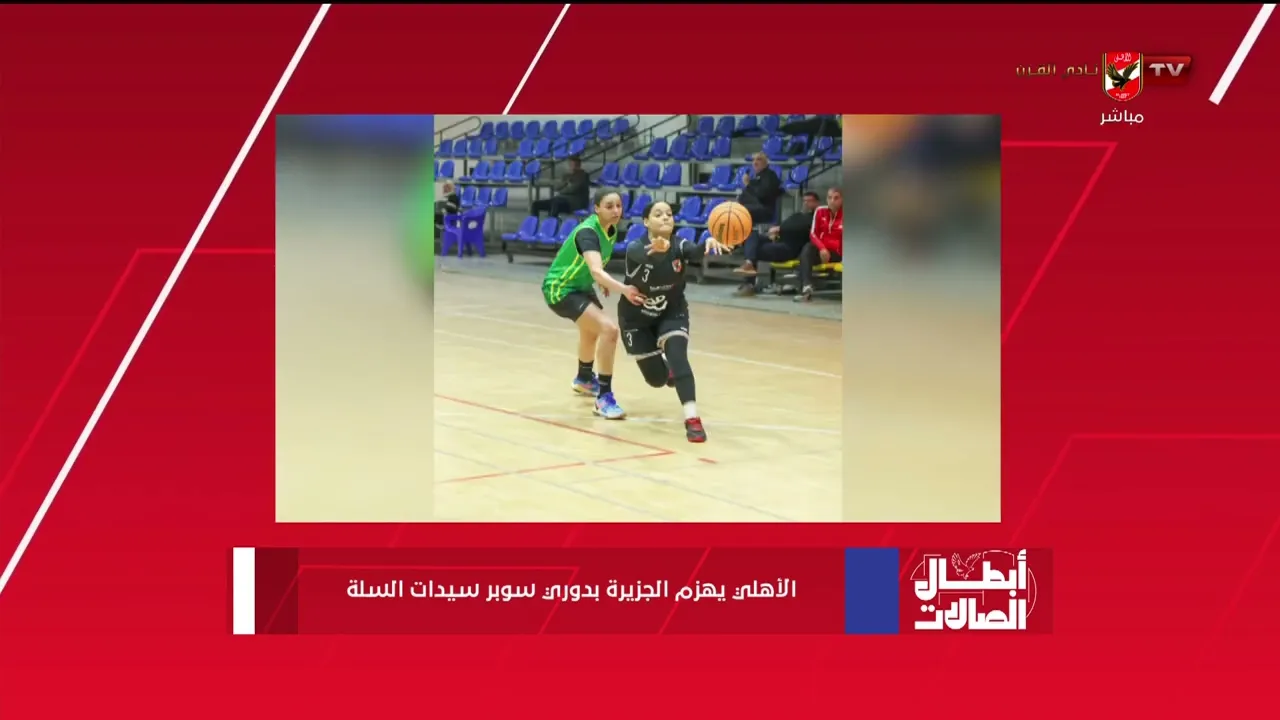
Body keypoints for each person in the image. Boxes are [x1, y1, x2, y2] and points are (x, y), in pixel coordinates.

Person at [619, 201, 730, 442]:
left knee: (679, 356)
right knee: (656, 380)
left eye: (669, 214)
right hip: (637, 319)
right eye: (658, 214)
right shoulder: (635, 248)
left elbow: (694, 251)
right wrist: (659, 249)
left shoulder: (680, 244)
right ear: (646, 222)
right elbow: (648, 257)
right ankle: (668, 372)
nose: (665, 217)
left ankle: (692, 419)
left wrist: (707, 243)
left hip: (672, 311)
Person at [541, 190, 645, 419]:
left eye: (619, 205)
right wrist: (623, 289)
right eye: (609, 206)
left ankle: (584, 378)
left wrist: (600, 281)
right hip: (560, 289)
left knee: (591, 331)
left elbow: (593, 265)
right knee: (609, 330)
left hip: (581, 286)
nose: (616, 210)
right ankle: (604, 398)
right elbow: (596, 270)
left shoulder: (610, 229)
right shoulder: (588, 232)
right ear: (596, 208)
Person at [733, 190, 821, 296]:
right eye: (804, 201)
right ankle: (749, 263)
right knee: (751, 235)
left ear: (817, 203)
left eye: (809, 201)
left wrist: (780, 229)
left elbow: (800, 228)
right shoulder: (798, 215)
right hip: (778, 240)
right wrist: (777, 232)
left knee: (753, 250)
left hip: (789, 248)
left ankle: (749, 281)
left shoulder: (815, 218)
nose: (806, 203)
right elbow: (786, 224)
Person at [796, 187, 844, 302]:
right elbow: (813, 234)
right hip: (822, 250)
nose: (832, 201)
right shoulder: (820, 211)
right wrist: (822, 248)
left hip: (838, 253)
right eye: (829, 198)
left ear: (842, 200)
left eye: (836, 198)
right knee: (807, 248)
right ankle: (807, 286)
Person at [735, 152, 783, 225]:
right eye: (753, 160)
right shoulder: (756, 178)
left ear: (765, 163)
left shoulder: (770, 175)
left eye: (759, 159)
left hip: (765, 210)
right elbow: (747, 195)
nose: (755, 162)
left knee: (739, 211)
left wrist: (748, 184)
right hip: (754, 207)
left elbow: (762, 195)